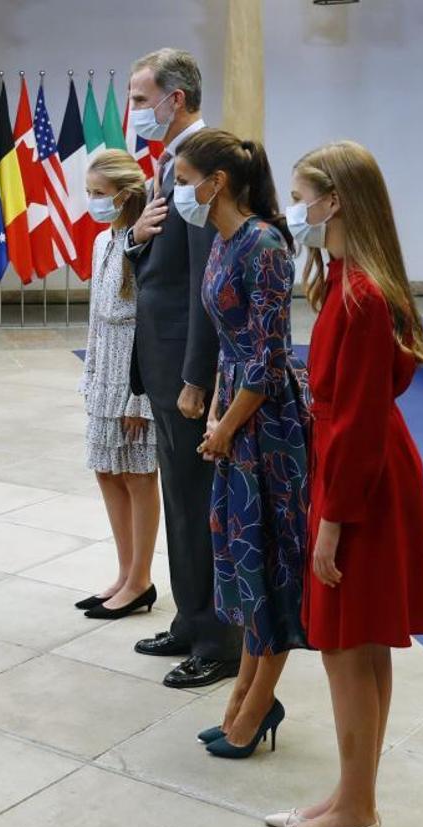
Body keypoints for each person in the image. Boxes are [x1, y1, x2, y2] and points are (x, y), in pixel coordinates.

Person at [260, 141, 423, 827]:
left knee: (343, 643)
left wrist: (330, 521)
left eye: (302, 194)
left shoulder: (358, 294)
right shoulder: (343, 278)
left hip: (360, 478)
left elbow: (358, 420)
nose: (293, 207)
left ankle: (357, 811)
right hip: (361, 469)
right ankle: (350, 793)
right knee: (359, 642)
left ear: (334, 201)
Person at [174, 129, 310, 758]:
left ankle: (252, 707)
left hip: (268, 428)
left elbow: (269, 358)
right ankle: (246, 702)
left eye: (183, 178)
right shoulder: (224, 240)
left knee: (271, 563)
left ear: (217, 181)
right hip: (234, 416)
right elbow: (233, 351)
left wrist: (226, 426)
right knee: (243, 562)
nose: (180, 191)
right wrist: (216, 416)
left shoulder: (265, 245)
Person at [125, 48, 241, 689]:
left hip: (186, 368)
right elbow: (164, 266)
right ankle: (191, 619)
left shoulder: (204, 165)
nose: (133, 112)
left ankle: (219, 637)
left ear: (176, 99)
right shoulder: (168, 165)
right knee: (179, 495)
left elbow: (206, 282)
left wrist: (199, 375)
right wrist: (137, 238)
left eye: (141, 99)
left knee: (200, 503)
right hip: (164, 358)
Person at [76, 149, 161, 620]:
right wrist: (89, 375)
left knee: (136, 472)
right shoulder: (103, 240)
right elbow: (95, 315)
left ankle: (141, 579)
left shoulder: (144, 243)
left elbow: (144, 321)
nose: (92, 202)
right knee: (106, 469)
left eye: (98, 194)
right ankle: (124, 572)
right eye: (88, 193)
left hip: (133, 372)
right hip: (104, 366)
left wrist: (138, 395)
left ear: (126, 196)